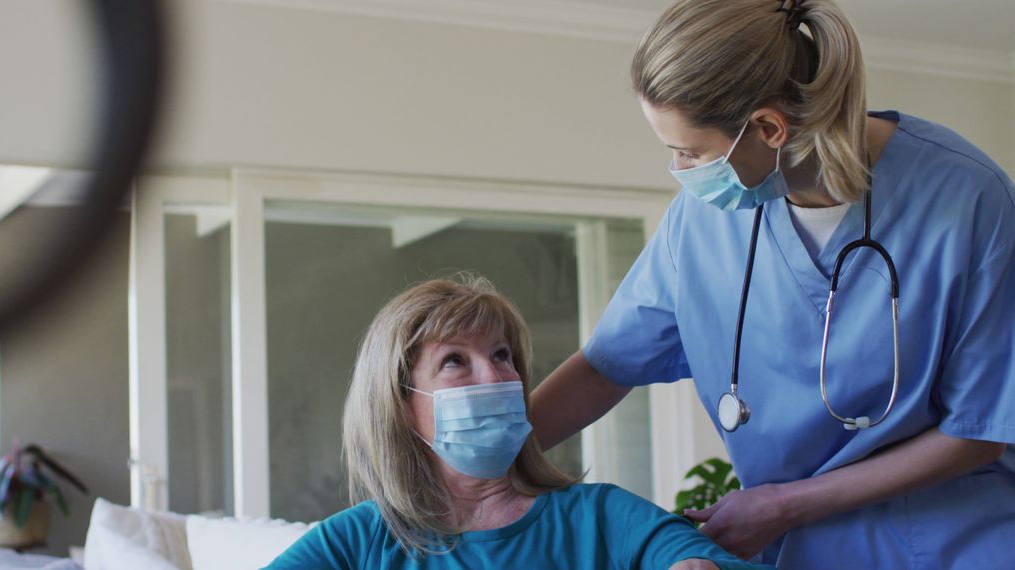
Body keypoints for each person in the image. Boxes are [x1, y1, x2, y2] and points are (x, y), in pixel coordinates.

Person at [529, 0, 1015, 567]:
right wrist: (478, 464)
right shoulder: (703, 220)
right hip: (792, 550)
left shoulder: (970, 199)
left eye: (689, 151)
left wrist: (784, 505)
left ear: (768, 128)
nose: (682, 171)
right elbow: (605, 366)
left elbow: (980, 429)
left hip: (948, 545)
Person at [266, 277, 767, 569]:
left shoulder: (598, 518)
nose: (495, 377)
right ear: (400, 403)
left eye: (501, 355)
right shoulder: (360, 542)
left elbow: (696, 562)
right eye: (455, 361)